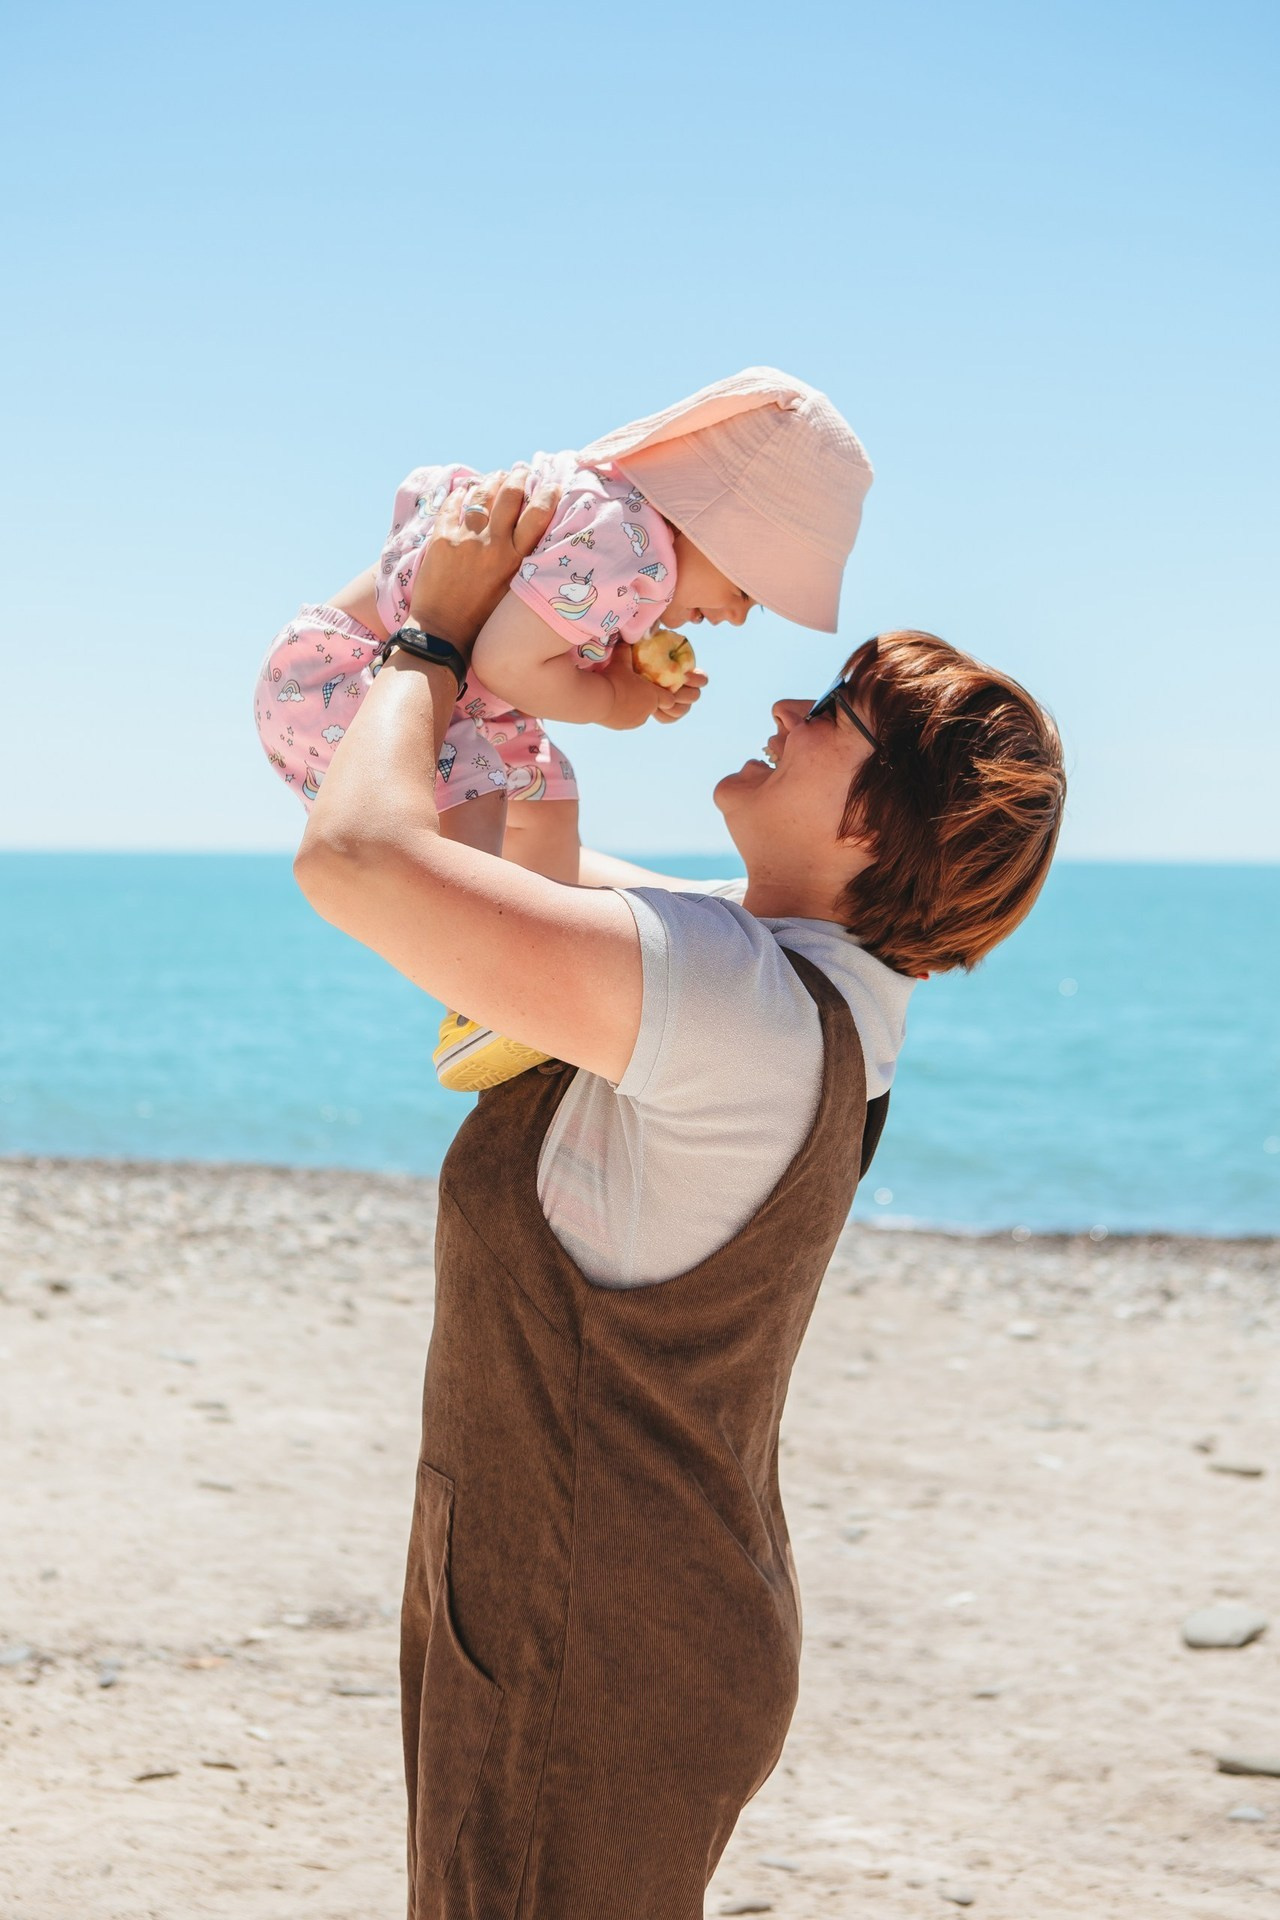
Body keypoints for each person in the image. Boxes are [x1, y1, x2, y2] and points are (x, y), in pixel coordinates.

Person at [293, 473, 1066, 1920]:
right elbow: (417, 818)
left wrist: (441, 639)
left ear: (880, 831)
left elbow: (359, 858)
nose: (783, 711)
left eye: (836, 717)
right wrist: (452, 597)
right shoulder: (788, 979)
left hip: (590, 1634)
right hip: (605, 1607)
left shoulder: (734, 999)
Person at [257, 368, 873, 1089]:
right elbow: (509, 662)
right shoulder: (628, 549)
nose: (737, 615)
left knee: (549, 795)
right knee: (477, 795)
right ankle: (480, 990)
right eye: (746, 588)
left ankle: (539, 946)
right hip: (351, 675)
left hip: (449, 689)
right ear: (708, 522)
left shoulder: (619, 523)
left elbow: (530, 635)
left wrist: (620, 672)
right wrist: (616, 699)